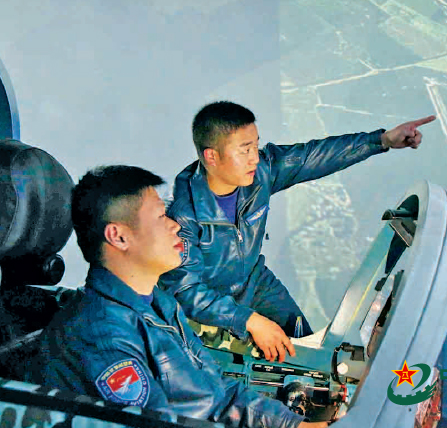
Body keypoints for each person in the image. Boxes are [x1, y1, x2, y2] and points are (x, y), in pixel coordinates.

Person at [40, 165, 327, 428]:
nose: (175, 225)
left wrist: (294, 425)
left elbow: (219, 392)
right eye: (160, 216)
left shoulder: (160, 304)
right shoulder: (103, 336)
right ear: (119, 236)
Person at [159, 101, 436, 362]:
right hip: (208, 305)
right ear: (212, 156)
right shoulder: (180, 215)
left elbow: (313, 156)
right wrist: (249, 320)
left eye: (255, 146)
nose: (254, 158)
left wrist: (382, 140)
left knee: (307, 350)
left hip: (256, 283)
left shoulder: (261, 172)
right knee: (241, 370)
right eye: (244, 150)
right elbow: (187, 290)